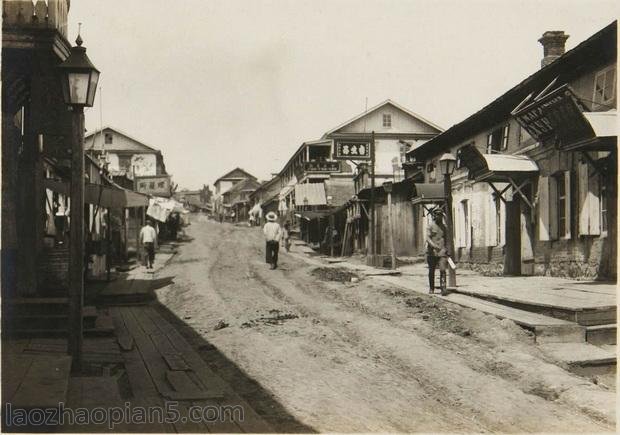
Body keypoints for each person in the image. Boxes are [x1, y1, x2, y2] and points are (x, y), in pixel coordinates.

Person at [426, 209, 448, 295]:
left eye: (441, 215)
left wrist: (446, 249)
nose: (439, 217)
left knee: (443, 270)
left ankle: (443, 288)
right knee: (432, 270)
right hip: (432, 252)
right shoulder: (430, 226)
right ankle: (432, 288)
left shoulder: (444, 227)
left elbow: (446, 239)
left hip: (442, 251)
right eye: (438, 215)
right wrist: (434, 246)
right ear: (434, 216)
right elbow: (427, 238)